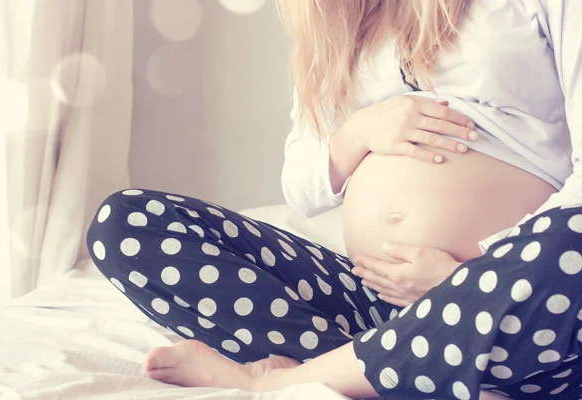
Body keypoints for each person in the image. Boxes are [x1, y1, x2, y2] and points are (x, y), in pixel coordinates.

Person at [86, 0, 582, 398]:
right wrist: (358, 132)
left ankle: (286, 381)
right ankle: (406, 368)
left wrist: (472, 282)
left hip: (520, 306)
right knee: (127, 224)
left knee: (575, 234)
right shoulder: (340, 17)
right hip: (378, 298)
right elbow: (301, 184)